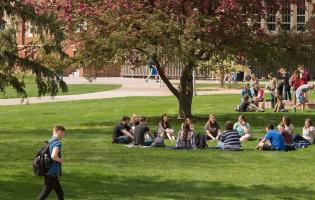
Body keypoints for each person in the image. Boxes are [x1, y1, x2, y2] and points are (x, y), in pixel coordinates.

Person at [38, 125, 66, 200]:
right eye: (63, 132)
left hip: (48, 170)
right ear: (58, 131)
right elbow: (54, 156)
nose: (63, 134)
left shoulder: (50, 141)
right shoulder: (57, 143)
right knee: (44, 194)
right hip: (52, 172)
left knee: (60, 193)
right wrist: (60, 160)